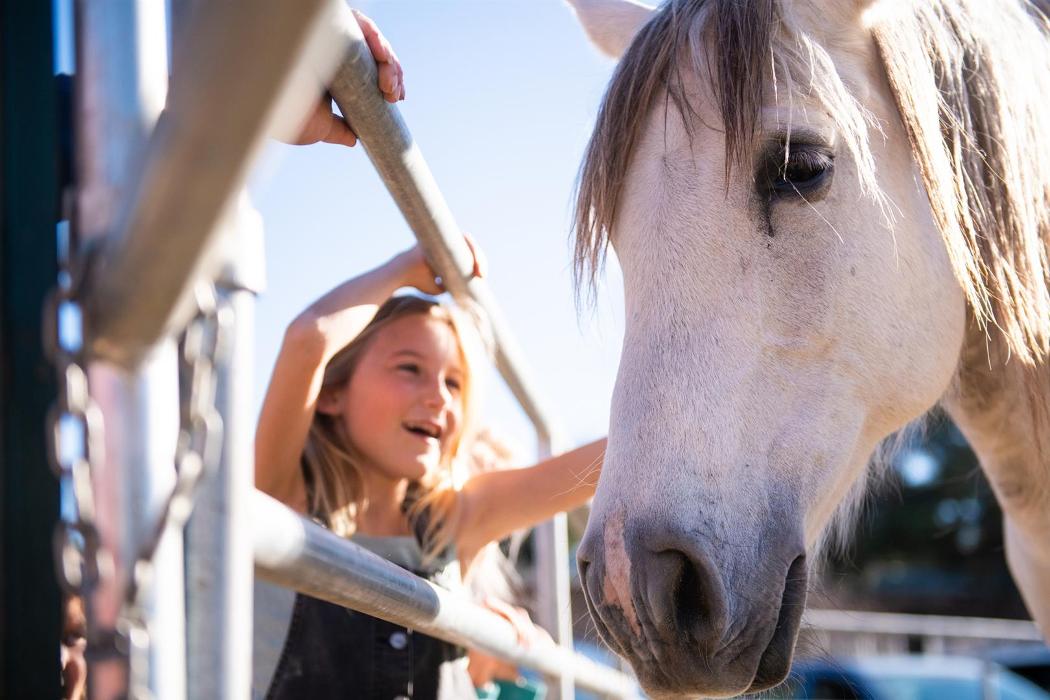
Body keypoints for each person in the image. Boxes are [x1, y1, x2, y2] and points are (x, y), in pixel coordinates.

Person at [254, 244, 605, 699]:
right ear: (331, 394)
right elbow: (309, 338)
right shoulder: (285, 498)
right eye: (410, 368)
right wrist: (402, 269)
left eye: (453, 383)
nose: (439, 397)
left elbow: (601, 463)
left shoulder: (452, 521)